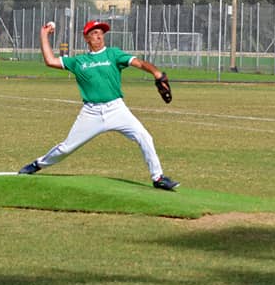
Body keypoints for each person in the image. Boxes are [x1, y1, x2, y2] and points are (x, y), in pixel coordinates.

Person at [18, 19, 179, 190]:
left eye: (101, 32)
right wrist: (43, 36)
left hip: (116, 109)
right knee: (66, 148)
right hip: (91, 112)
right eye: (94, 33)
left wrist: (156, 72)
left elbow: (139, 63)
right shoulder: (78, 61)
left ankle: (158, 177)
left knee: (144, 136)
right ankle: (38, 165)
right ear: (86, 38)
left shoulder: (113, 54)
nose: (99, 35)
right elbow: (50, 61)